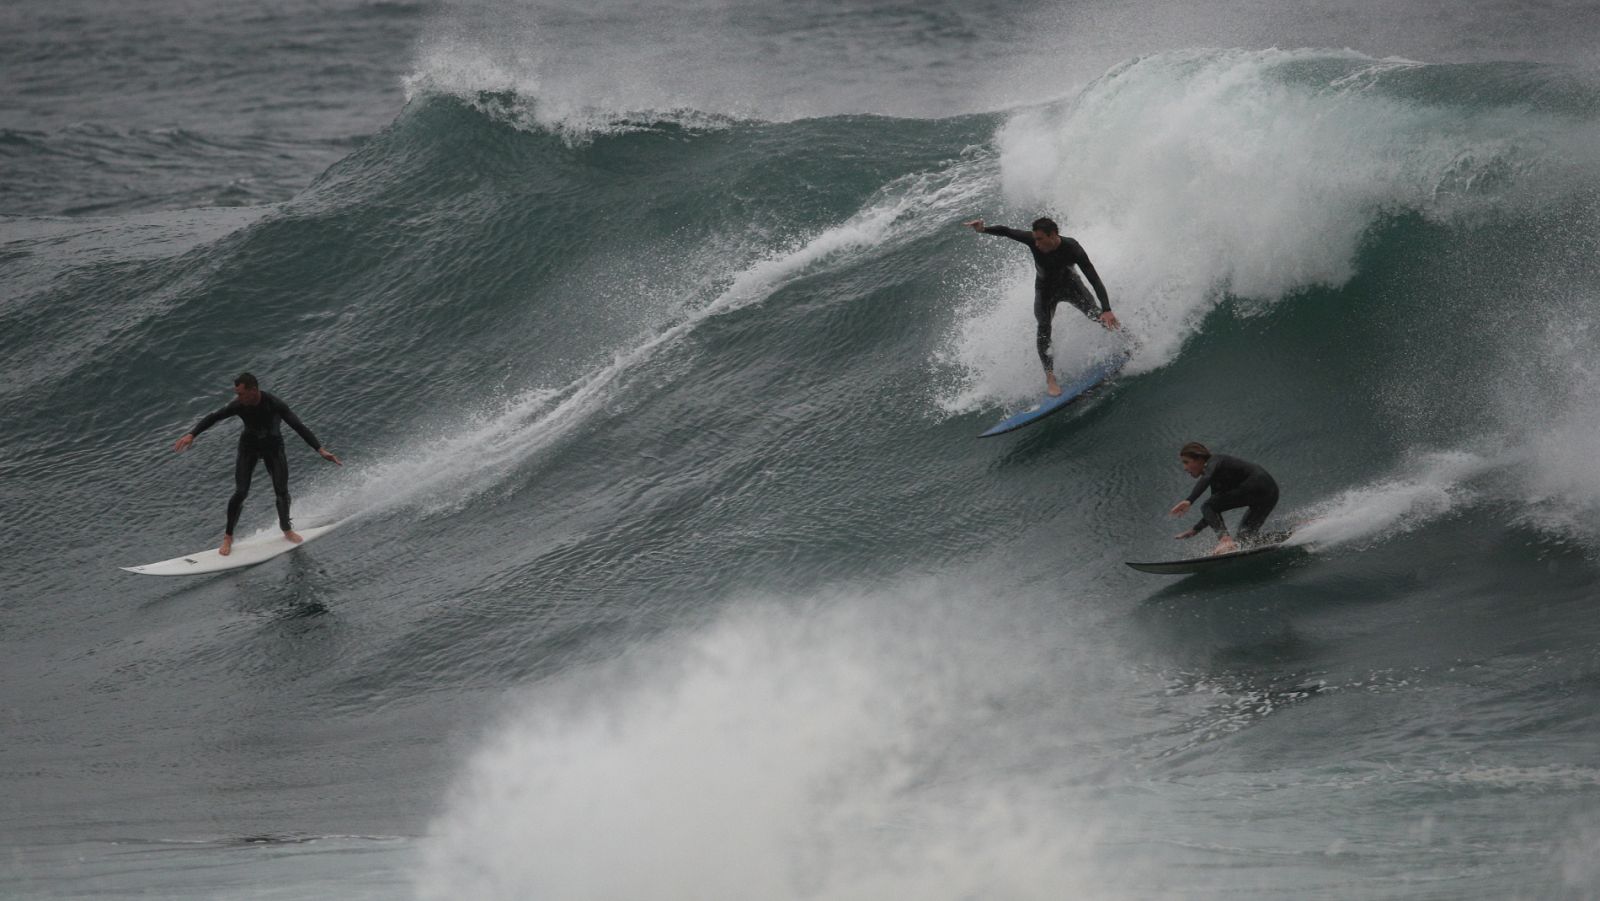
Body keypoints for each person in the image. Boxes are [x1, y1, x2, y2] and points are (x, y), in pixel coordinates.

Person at [172, 372, 341, 555]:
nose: (238, 397)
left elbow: (298, 426)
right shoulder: (239, 406)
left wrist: (319, 449)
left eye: (241, 393)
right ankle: (228, 537)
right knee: (240, 492)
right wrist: (192, 434)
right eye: (237, 393)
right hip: (249, 448)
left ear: (253, 390)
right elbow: (214, 416)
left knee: (281, 491)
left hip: (273, 448)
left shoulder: (274, 404)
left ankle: (287, 529)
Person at [964, 216, 1120, 396]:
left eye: (1040, 239)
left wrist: (1107, 309)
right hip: (1045, 291)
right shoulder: (1032, 239)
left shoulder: (1072, 247)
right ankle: (1050, 377)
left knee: (1098, 316)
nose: (1036, 243)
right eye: (1035, 238)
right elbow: (1007, 231)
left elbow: (1093, 278)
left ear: (1053, 235)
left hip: (1072, 286)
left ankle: (1127, 338)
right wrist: (983, 229)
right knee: (1044, 327)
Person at [1168, 442, 1279, 556]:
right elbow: (1214, 511)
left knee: (1207, 505)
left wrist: (1189, 500)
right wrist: (1196, 529)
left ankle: (1225, 541)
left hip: (1257, 484)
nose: (1185, 468)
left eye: (1186, 462)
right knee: (1245, 537)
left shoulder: (1215, 461)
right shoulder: (1216, 477)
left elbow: (1207, 479)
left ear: (1199, 459)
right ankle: (1282, 538)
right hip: (1270, 492)